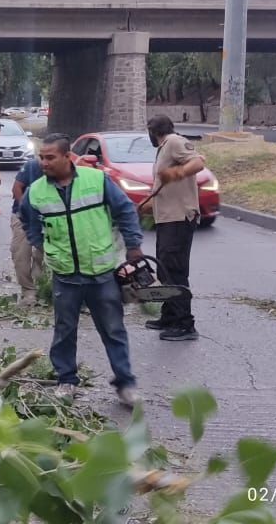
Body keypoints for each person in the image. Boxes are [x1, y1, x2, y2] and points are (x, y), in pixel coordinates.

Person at [20, 134, 144, 406]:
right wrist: (41, 243)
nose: (44, 162)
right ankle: (66, 380)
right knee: (64, 330)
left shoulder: (96, 180)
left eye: (50, 157)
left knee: (113, 330)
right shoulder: (37, 191)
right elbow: (26, 219)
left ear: (67, 157)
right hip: (65, 276)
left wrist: (134, 245)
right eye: (41, 157)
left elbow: (125, 210)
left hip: (101, 274)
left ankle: (125, 383)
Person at [145, 115, 207, 341]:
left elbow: (199, 161)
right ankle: (170, 316)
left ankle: (185, 324)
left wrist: (178, 173)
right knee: (165, 270)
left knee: (176, 271)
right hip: (166, 218)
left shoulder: (173, 141)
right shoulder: (164, 148)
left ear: (152, 130)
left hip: (179, 217)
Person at [10, 156, 45, 307]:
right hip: (23, 216)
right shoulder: (31, 167)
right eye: (44, 157)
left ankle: (41, 287)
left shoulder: (65, 173)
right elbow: (16, 187)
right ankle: (28, 291)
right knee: (21, 253)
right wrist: (26, 210)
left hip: (48, 217)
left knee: (43, 255)